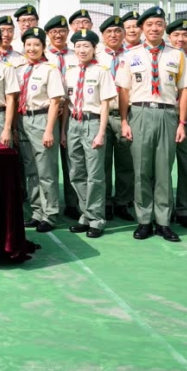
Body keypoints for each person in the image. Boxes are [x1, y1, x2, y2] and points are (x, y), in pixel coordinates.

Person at [115, 6, 187, 243]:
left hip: (167, 114)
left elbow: (184, 90)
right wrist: (125, 121)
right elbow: (123, 91)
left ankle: (163, 221)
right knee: (141, 170)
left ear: (164, 27)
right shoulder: (130, 55)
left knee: (163, 171)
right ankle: (144, 220)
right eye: (149, 24)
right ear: (141, 28)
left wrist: (182, 123)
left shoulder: (177, 55)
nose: (154, 28)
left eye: (159, 24)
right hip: (140, 113)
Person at [65, 29, 115, 238]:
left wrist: (101, 132)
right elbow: (66, 104)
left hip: (93, 123)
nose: (82, 50)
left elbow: (105, 105)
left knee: (94, 174)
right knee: (76, 173)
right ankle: (85, 214)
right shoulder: (70, 72)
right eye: (78, 46)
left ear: (95, 48)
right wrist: (63, 132)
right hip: (73, 123)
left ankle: (96, 218)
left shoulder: (101, 72)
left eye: (86, 46)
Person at [14, 27, 65, 232]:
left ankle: (50, 214)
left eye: (36, 44)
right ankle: (37, 211)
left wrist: (49, 130)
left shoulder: (50, 70)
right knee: (31, 170)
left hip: (42, 119)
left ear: (44, 47)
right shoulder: (19, 70)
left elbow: (55, 101)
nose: (32, 48)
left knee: (46, 170)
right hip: (23, 120)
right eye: (28, 45)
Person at [95, 14, 133, 222]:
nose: (113, 35)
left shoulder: (133, 56)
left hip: (125, 115)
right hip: (101, 116)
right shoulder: (96, 56)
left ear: (124, 34)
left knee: (126, 162)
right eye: (109, 32)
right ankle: (105, 202)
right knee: (102, 163)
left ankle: (123, 202)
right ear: (102, 35)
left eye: (118, 31)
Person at [44, 14, 79, 221]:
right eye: (54, 32)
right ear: (48, 34)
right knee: (47, 163)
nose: (58, 35)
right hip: (48, 113)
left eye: (62, 31)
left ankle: (73, 203)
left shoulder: (77, 54)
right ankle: (49, 205)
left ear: (68, 32)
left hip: (72, 111)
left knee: (71, 160)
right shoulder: (42, 55)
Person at [166, 18, 187, 230]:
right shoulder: (162, 57)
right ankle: (165, 207)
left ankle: (184, 209)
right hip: (166, 117)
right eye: (176, 35)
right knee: (163, 166)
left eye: (185, 35)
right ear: (169, 37)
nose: (180, 39)